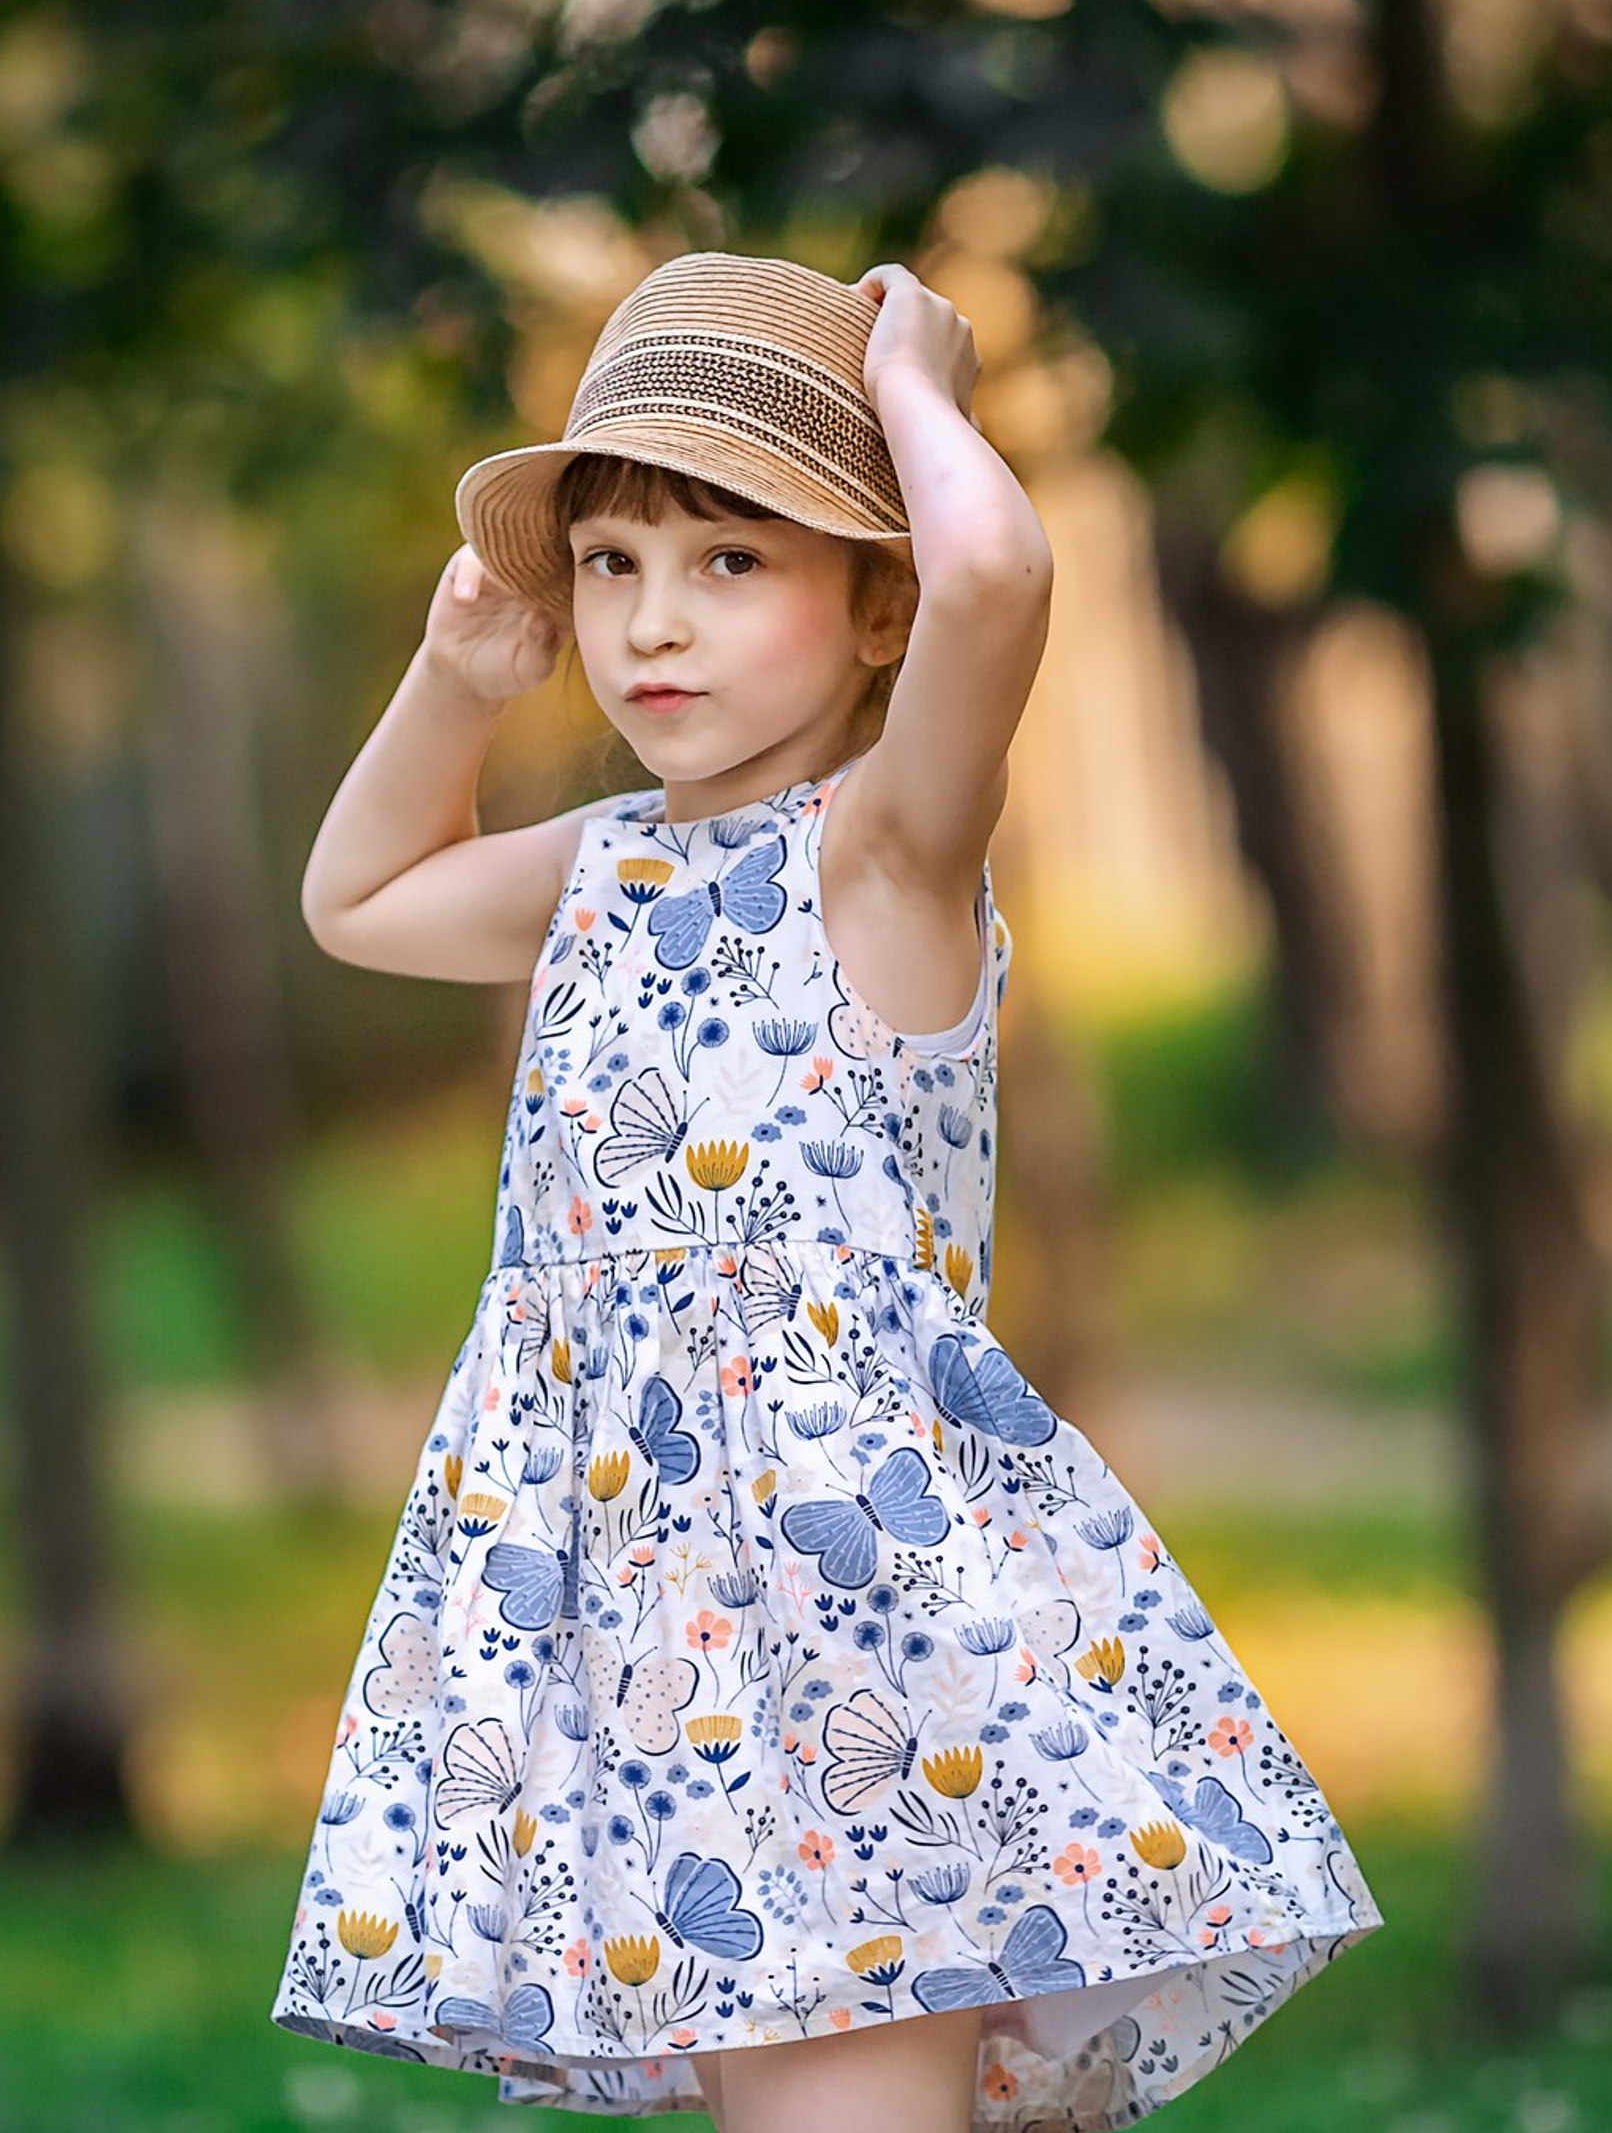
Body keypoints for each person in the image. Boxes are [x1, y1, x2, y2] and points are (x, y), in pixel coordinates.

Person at [269, 252, 1385, 2130]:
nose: (652, 622)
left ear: (877, 606)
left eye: (731, 559)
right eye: (610, 562)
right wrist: (454, 681)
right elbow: (357, 901)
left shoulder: (879, 854)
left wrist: (920, 389)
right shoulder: (601, 869)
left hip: (853, 1641)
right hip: (649, 1644)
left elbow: (1000, 576)